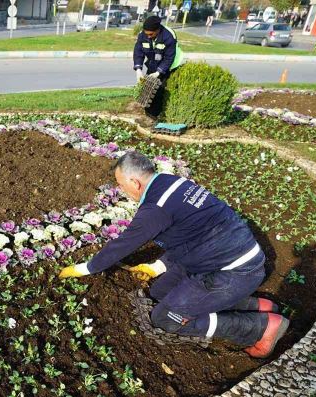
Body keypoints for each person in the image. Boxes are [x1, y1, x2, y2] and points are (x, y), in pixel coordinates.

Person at [58, 152, 290, 358]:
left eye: (120, 185)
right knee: (160, 291)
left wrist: (86, 268)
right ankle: (255, 305)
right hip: (225, 255)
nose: (121, 191)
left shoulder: (155, 208)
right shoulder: (173, 182)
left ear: (134, 182)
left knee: (166, 318)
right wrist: (158, 266)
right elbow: (188, 234)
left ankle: (260, 327)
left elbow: (124, 244)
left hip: (232, 271)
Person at [133, 15, 184, 118]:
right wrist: (138, 69)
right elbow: (138, 51)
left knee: (159, 90)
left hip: (170, 65)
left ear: (158, 30)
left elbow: (169, 58)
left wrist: (159, 72)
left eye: (151, 34)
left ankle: (156, 116)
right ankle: (148, 114)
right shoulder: (143, 35)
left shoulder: (168, 36)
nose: (148, 36)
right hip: (153, 63)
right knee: (147, 88)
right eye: (146, 34)